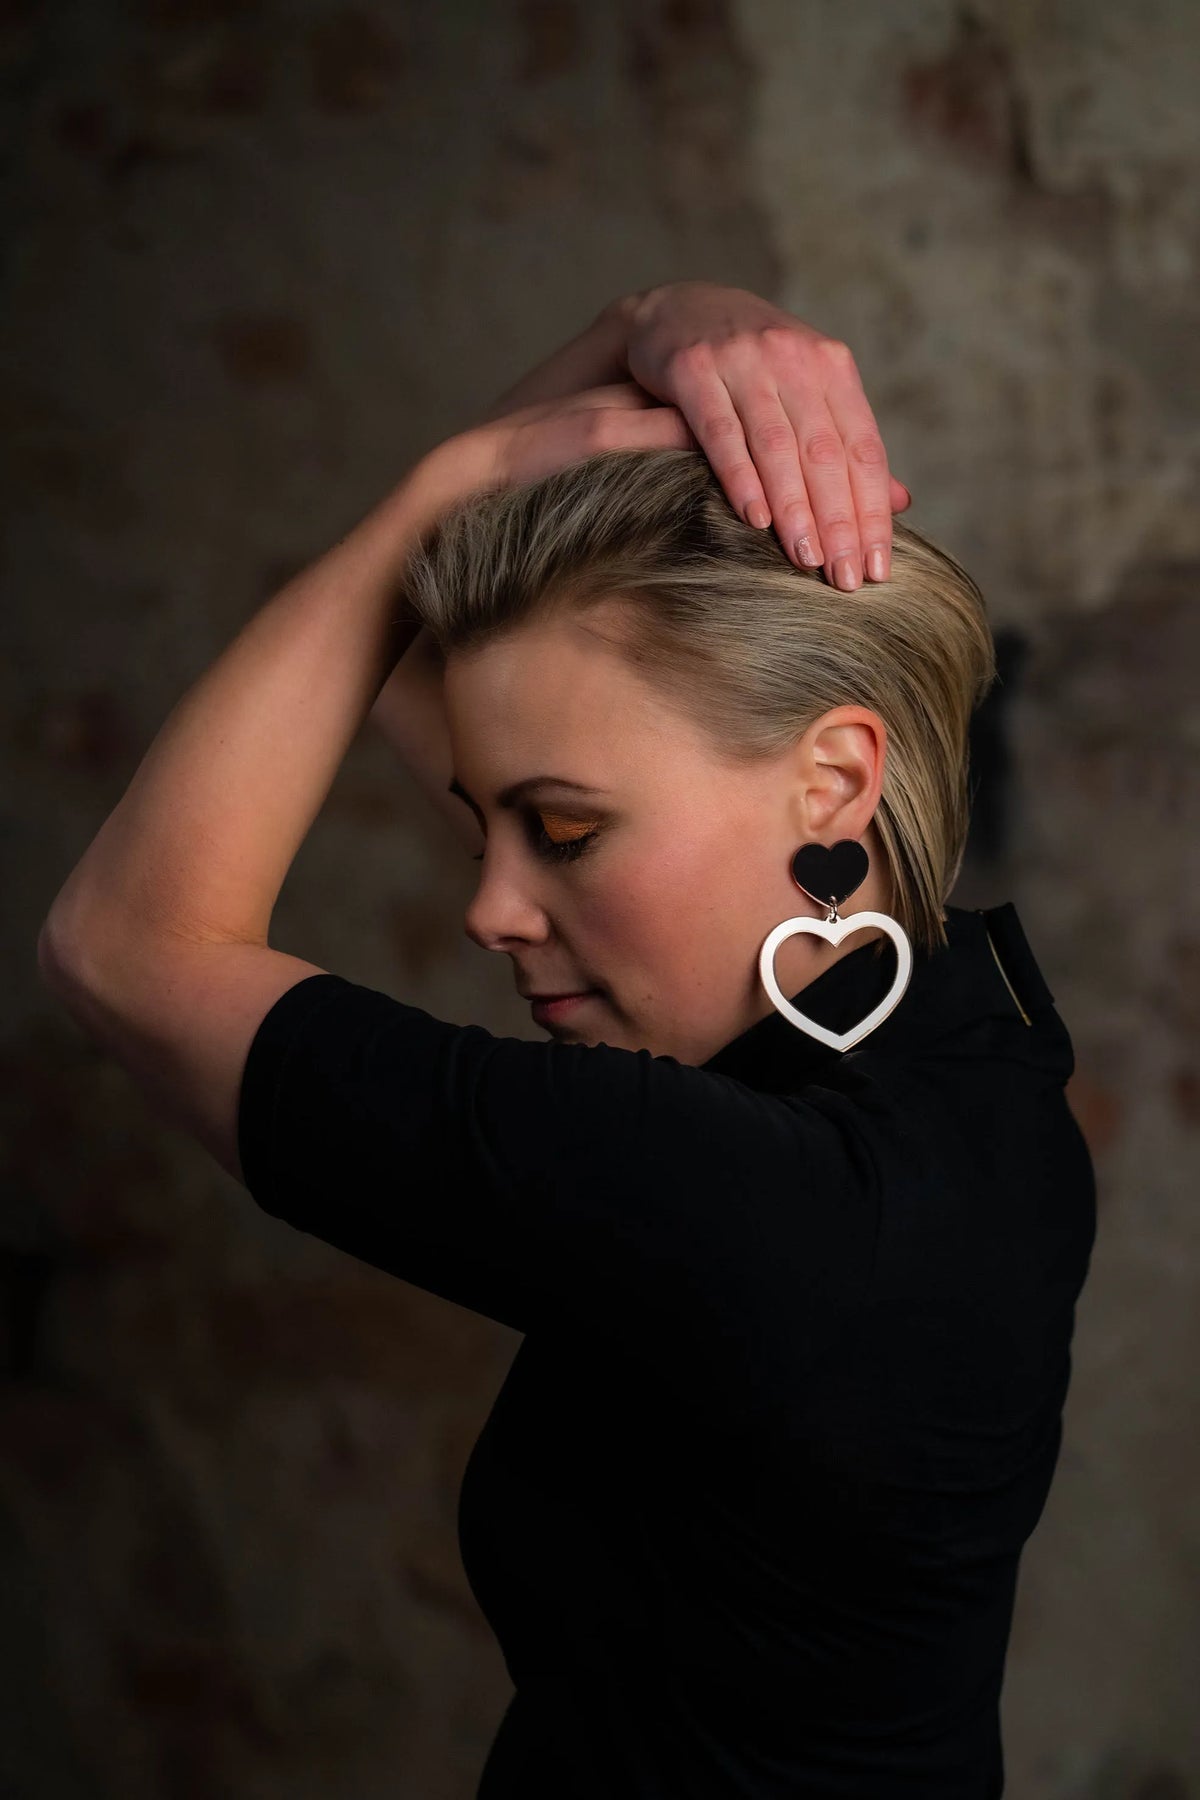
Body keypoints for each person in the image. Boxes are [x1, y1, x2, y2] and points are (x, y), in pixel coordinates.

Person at [38, 282, 1097, 1797]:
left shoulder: (750, 1201)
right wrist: (663, 316)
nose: (488, 907)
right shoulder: (973, 1060)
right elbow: (404, 661)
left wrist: (453, 481)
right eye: (486, 822)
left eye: (565, 831)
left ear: (831, 782)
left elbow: (121, 944)